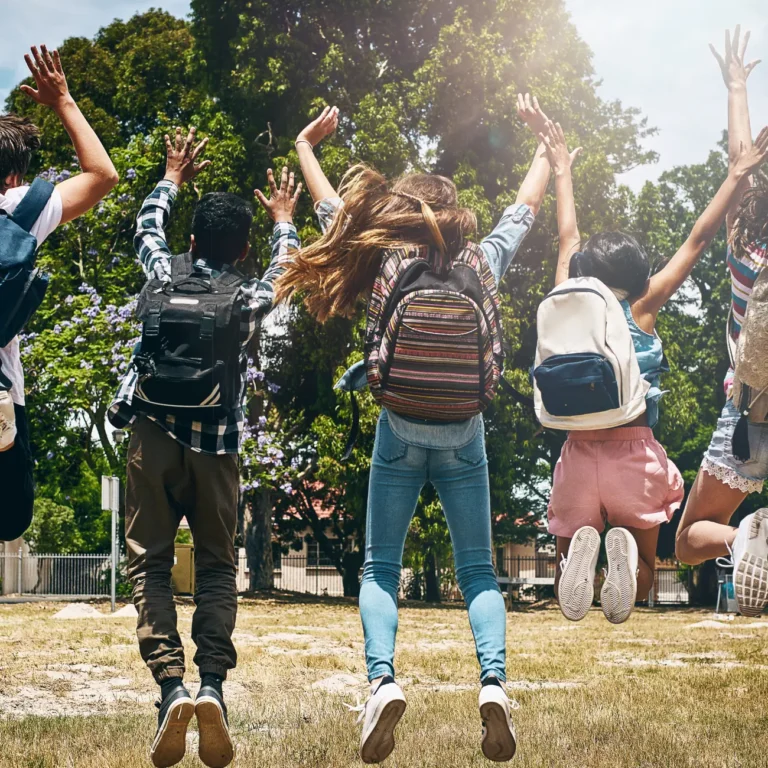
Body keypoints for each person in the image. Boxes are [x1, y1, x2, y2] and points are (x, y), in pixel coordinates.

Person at [275, 95, 552, 764]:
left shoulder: (379, 256)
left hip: (399, 423)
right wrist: (546, 144)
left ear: (402, 210)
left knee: (381, 565)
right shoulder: (481, 259)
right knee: (480, 570)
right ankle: (492, 688)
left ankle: (382, 682)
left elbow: (325, 209)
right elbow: (524, 210)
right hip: (464, 428)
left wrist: (307, 147)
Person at [107, 128, 302, 768]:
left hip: (151, 438)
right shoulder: (244, 297)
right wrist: (282, 219)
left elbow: (146, 226)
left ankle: (170, 690)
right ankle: (213, 685)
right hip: (216, 447)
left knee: (150, 567)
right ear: (241, 246)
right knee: (218, 567)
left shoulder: (162, 275)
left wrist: (171, 176)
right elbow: (287, 270)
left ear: (192, 241)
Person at [542, 92, 768, 624]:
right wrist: (734, 175)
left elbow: (566, 235)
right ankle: (621, 550)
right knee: (644, 572)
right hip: (633, 455)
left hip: (576, 454)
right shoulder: (644, 306)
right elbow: (697, 238)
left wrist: (561, 174)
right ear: (639, 277)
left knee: (577, 550)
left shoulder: (566, 296)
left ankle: (582, 552)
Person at [0, 45, 118, 542]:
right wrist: (64, 100)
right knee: (10, 518)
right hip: (3, 393)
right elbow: (102, 176)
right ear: (14, 175)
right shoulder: (18, 207)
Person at [676, 26, 768, 613]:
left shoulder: (747, 253)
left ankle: (746, 542)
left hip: (749, 418)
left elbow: (741, 165)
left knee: (687, 541)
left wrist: (736, 88)